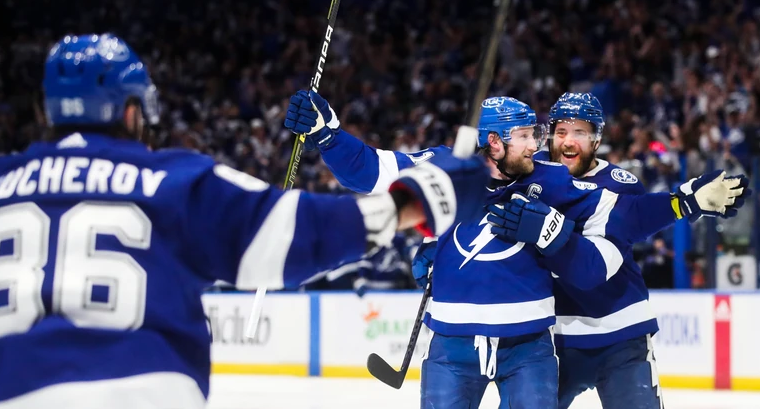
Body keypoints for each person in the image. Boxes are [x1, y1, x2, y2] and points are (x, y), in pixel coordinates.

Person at [0, 34, 493, 409]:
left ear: (47, 111)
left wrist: (330, 135)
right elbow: (296, 233)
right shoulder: (172, 181)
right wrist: (417, 202)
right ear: (132, 112)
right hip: (139, 389)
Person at [284, 90, 749, 409]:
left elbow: (625, 216)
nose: (541, 145)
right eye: (531, 136)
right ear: (494, 142)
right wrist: (328, 133)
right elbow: (371, 169)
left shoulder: (552, 179)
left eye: (542, 134)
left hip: (542, 343)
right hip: (466, 341)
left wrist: (685, 201)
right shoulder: (450, 167)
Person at [540, 92, 670, 408]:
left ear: (597, 140)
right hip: (551, 339)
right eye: (561, 131)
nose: (568, 141)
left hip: (620, 336)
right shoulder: (531, 175)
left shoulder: (619, 185)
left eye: (580, 133)